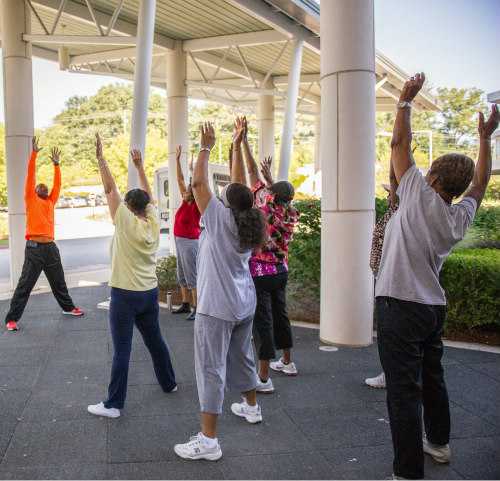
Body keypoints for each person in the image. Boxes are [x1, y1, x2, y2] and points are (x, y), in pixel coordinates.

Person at [375, 73, 499, 479]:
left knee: (402, 392)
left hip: (399, 305)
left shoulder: (415, 192)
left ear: (431, 177)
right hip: (432, 309)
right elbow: (481, 182)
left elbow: (398, 145)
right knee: (431, 378)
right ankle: (439, 445)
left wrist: (404, 103)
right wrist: (486, 139)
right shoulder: (459, 214)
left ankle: (408, 472)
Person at [174, 122, 267, 461]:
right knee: (242, 356)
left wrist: (206, 147)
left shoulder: (218, 218)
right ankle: (251, 407)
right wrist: (239, 142)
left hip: (216, 308)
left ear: (225, 202)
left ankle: (208, 440)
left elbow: (199, 183)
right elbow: (239, 186)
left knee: (210, 368)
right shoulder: (248, 217)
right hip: (244, 303)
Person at [87, 134, 176, 419]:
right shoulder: (151, 221)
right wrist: (139, 167)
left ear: (127, 206)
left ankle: (113, 405)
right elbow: (146, 195)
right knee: (155, 341)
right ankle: (169, 382)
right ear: (146, 206)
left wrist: (101, 159)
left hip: (125, 295)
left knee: (122, 350)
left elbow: (110, 187)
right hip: (149, 293)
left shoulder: (123, 220)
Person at [237, 117, 299, 393]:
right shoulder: (290, 212)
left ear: (270, 195)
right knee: (281, 314)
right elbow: (273, 189)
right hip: (280, 271)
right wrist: (272, 178)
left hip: (261, 273)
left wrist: (244, 141)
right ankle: (287, 361)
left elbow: (251, 171)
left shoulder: (266, 207)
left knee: (262, 321)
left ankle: (263, 377)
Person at [4, 137, 84, 332]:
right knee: (25, 285)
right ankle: (11, 319)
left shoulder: (50, 201)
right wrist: (34, 154)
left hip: (50, 247)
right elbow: (30, 175)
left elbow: (58, 184)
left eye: (44, 186)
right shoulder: (30, 198)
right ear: (34, 190)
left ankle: (68, 307)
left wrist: (56, 165)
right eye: (39, 186)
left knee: (59, 281)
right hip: (34, 248)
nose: (42, 186)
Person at [365, 174, 399, 390]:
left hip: (390, 282)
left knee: (390, 333)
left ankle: (390, 375)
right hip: (384, 277)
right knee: (389, 333)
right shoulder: (394, 213)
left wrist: (395, 164)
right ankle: (391, 373)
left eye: (391, 193)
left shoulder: (399, 214)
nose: (388, 196)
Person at [171, 145, 201, 321]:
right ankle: (185, 303)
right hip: (179, 241)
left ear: (193, 193)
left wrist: (194, 168)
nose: (183, 194)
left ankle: (197, 307)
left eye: (187, 192)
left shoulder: (196, 204)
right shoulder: (184, 200)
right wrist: (177, 160)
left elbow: (195, 184)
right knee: (181, 273)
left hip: (190, 243)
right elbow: (180, 179)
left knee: (192, 275)